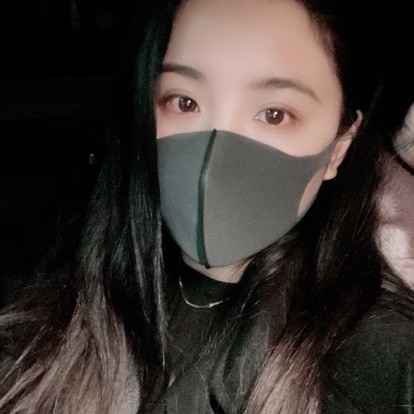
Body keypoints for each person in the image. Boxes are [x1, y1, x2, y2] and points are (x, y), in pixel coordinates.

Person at [0, 1, 413, 414]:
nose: (213, 162)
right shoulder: (55, 303)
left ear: (339, 146)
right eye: (184, 102)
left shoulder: (385, 364)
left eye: (274, 114)